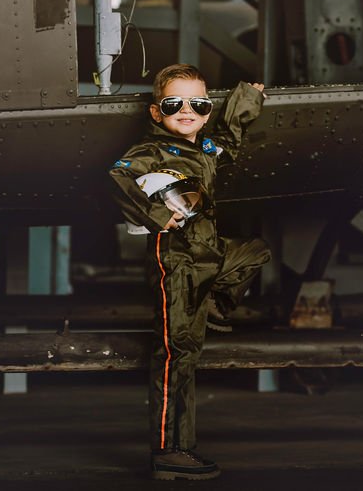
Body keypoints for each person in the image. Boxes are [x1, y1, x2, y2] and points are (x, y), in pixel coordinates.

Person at [108, 64, 271, 481]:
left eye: (198, 104)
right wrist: (156, 215)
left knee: (255, 251)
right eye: (174, 104)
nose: (187, 111)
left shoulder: (205, 149)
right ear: (156, 112)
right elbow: (118, 175)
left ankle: (215, 307)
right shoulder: (151, 150)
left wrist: (246, 99)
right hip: (177, 262)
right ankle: (170, 450)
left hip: (209, 254)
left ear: (207, 110)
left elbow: (228, 142)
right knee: (177, 355)